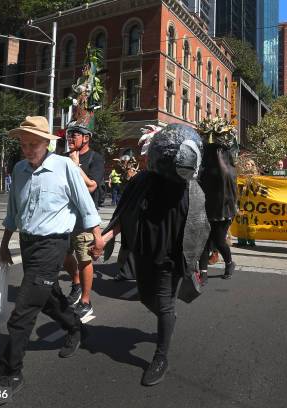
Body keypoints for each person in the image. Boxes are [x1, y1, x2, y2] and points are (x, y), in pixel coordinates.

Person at [0, 116, 104, 406]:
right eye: (23, 144)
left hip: (53, 245)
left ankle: (11, 373)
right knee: (49, 299)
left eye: (33, 144)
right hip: (28, 244)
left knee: (23, 311)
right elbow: (14, 211)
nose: (27, 149)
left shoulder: (64, 167)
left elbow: (86, 205)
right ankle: (76, 327)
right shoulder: (19, 169)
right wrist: (4, 245)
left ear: (46, 143)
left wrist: (98, 238)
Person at [100, 124, 208, 387]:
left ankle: (161, 356)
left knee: (163, 303)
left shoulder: (192, 188)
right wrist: (104, 238)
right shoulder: (142, 181)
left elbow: (201, 223)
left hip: (172, 256)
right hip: (144, 253)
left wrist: (207, 253)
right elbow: (124, 214)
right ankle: (167, 315)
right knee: (148, 299)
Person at [63, 125, 105, 320]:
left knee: (84, 258)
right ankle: (76, 283)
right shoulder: (64, 156)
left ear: (86, 138)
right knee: (63, 254)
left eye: (75, 134)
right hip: (64, 216)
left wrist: (76, 165)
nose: (70, 137)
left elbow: (91, 187)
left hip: (85, 219)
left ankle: (86, 302)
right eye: (69, 134)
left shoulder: (95, 159)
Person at [197, 120, 238, 283]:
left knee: (219, 240)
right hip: (205, 208)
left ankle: (229, 263)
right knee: (204, 241)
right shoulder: (203, 162)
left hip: (223, 210)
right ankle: (203, 272)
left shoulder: (227, 166)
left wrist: (229, 209)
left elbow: (230, 190)